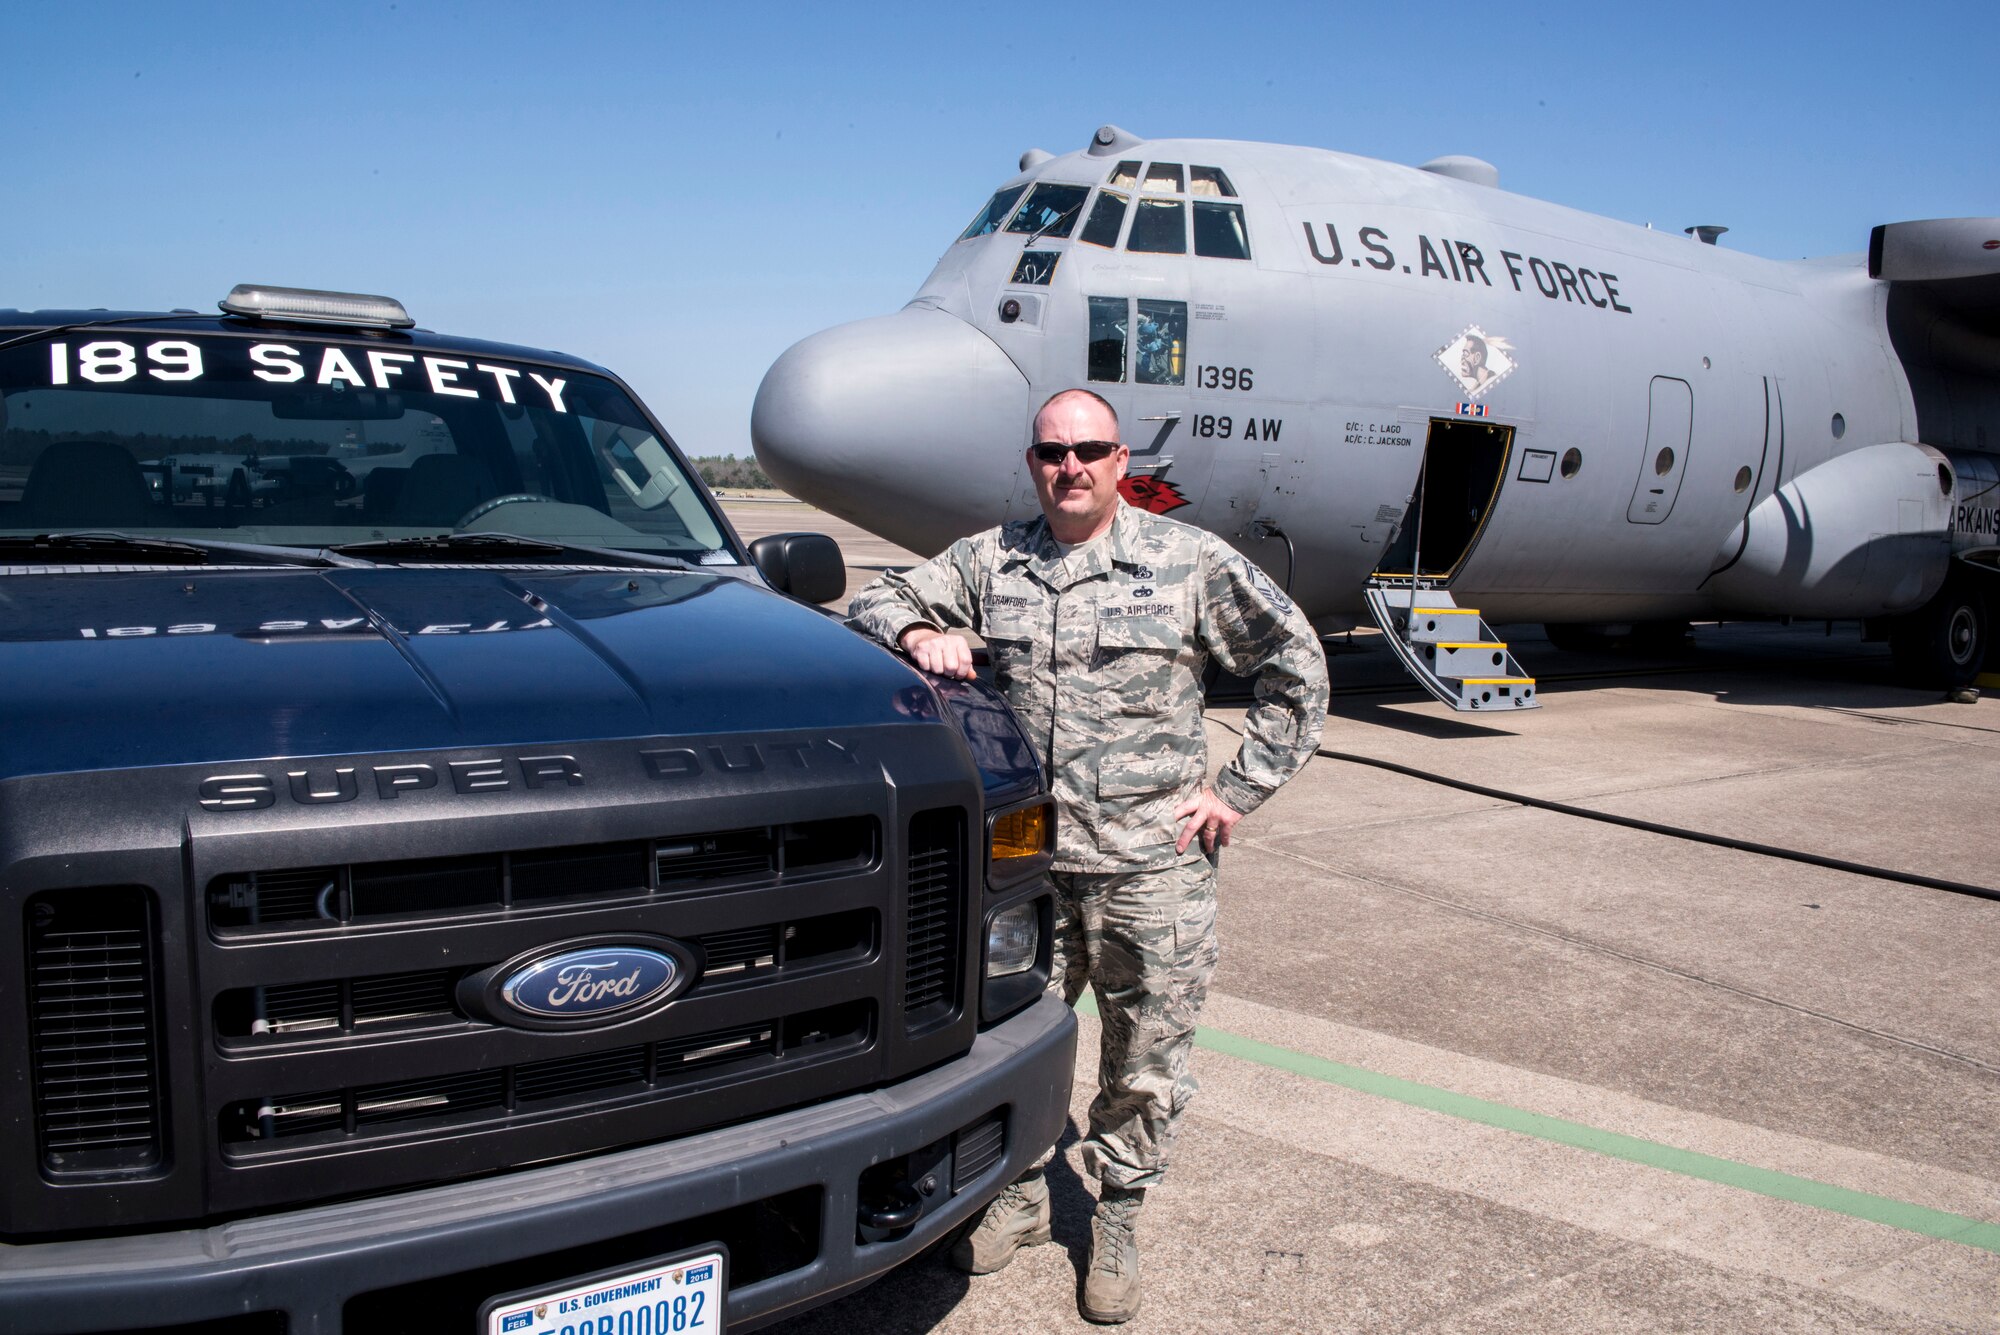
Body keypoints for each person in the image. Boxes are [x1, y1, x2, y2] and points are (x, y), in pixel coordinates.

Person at [847, 388, 1328, 1323]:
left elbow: (1297, 668)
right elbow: (877, 597)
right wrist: (920, 632)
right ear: (1033, 463)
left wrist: (1236, 789)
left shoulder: (1184, 560)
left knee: (1146, 1057)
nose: (1069, 467)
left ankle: (1117, 1212)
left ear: (1121, 462)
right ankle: (1023, 1194)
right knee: (1014, 1043)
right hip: (1027, 871)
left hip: (1154, 869)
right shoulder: (998, 558)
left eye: (1089, 450)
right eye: (1051, 453)